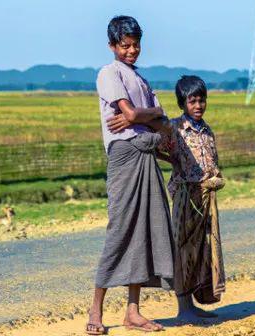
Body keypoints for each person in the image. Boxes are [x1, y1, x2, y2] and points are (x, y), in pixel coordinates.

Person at [86, 15, 175, 335]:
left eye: (136, 45)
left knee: (146, 232)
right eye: (125, 45)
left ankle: (133, 312)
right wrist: (148, 115)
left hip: (147, 156)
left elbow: (163, 125)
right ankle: (95, 309)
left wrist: (147, 115)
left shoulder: (141, 80)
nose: (132, 51)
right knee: (121, 231)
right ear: (111, 46)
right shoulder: (109, 74)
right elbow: (133, 115)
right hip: (125, 157)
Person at [157, 75, 226, 321]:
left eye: (202, 100)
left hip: (206, 198)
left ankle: (195, 302)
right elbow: (157, 148)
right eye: (192, 101)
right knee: (183, 248)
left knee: (202, 249)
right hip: (186, 197)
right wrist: (174, 160)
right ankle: (183, 307)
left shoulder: (207, 131)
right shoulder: (175, 129)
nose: (198, 106)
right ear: (182, 103)